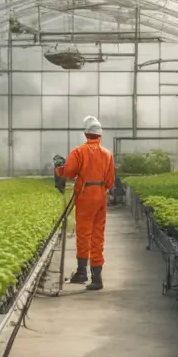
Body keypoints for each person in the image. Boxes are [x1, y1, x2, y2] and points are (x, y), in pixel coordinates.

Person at [55, 115, 115, 290]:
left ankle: (82, 272)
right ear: (100, 135)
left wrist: (58, 167)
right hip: (101, 196)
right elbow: (110, 181)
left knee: (84, 234)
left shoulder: (79, 152)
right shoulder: (107, 154)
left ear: (86, 133)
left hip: (85, 195)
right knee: (98, 236)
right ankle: (97, 278)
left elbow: (69, 172)